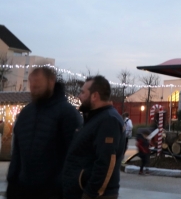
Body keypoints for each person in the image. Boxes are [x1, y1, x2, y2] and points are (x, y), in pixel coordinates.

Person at [6, 66, 83, 199]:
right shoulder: (26, 113)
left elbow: (76, 156)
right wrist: (12, 184)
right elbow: (17, 154)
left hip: (54, 192)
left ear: (51, 82)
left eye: (38, 85)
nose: (34, 89)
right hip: (24, 190)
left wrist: (65, 188)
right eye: (32, 85)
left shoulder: (67, 113)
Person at [62, 75, 127, 199]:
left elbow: (106, 162)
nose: (79, 96)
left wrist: (90, 193)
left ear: (95, 96)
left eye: (82, 92)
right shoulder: (94, 119)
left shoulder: (108, 120)